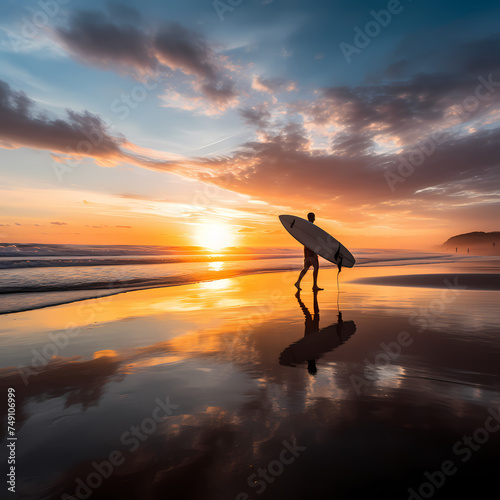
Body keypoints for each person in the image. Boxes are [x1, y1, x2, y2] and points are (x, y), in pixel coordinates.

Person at [294, 212, 323, 291]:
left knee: (306, 268)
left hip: (307, 250)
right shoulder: (311, 227)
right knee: (316, 267)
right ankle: (314, 286)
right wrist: (313, 252)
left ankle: (298, 282)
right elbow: (311, 239)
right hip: (311, 250)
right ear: (311, 218)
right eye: (313, 217)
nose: (314, 218)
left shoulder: (306, 227)